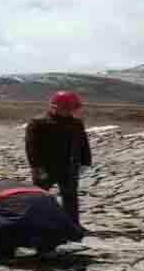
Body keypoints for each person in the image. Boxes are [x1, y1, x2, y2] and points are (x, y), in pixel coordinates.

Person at [0, 173, 82, 260]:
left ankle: (4, 251)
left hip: (15, 231)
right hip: (61, 231)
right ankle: (47, 248)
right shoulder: (30, 186)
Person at [24, 90, 93, 225]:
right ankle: (34, 224)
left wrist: (86, 162)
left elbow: (83, 143)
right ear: (54, 107)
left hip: (69, 167)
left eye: (71, 109)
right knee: (39, 197)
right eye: (66, 109)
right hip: (45, 168)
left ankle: (73, 225)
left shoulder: (76, 123)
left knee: (70, 198)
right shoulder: (38, 123)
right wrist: (36, 167)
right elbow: (31, 147)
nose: (68, 112)